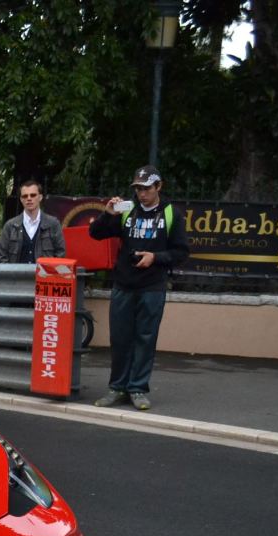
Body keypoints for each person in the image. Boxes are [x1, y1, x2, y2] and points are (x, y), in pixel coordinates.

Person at [88, 164, 189, 411]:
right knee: (120, 338)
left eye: (146, 188)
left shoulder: (171, 214)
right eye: (138, 188)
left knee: (145, 338)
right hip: (123, 284)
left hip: (152, 286)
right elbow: (95, 234)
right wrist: (108, 213)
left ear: (158, 187)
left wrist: (155, 257)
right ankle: (117, 387)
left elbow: (181, 252)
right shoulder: (126, 210)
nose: (141, 193)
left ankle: (138, 389)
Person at [0, 180, 66, 263]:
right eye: (25, 196)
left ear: (40, 197)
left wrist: (49, 274)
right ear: (21, 199)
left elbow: (60, 254)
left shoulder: (53, 224)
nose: (29, 198)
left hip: (44, 275)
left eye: (33, 195)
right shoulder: (10, 226)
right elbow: (1, 256)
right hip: (16, 275)